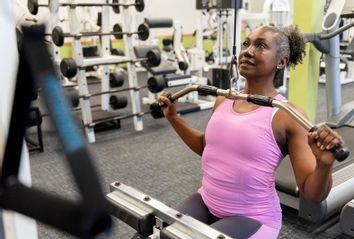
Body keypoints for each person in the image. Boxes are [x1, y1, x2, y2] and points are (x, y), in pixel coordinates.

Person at [157, 25, 345, 239]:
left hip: (253, 218)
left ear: (281, 61)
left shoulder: (286, 115)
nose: (247, 51)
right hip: (207, 200)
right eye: (246, 44)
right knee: (164, 233)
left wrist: (324, 164)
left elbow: (312, 194)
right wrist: (173, 117)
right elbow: (205, 146)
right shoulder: (223, 99)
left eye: (261, 45)